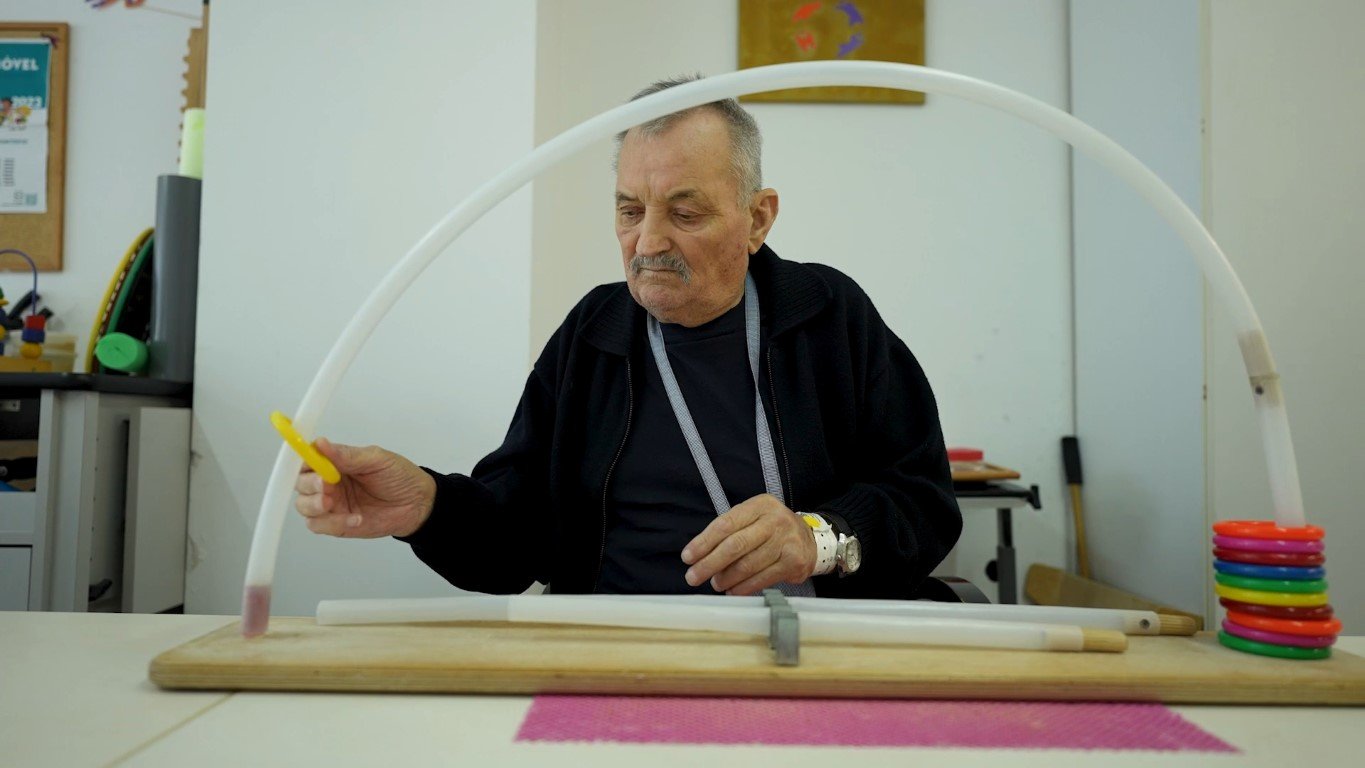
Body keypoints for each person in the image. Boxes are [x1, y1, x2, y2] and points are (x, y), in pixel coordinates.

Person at [295, 75, 961, 599]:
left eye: (684, 212)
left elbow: (925, 504)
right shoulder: (593, 335)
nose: (647, 243)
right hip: (613, 650)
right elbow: (513, 544)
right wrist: (428, 506)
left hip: (806, 649)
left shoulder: (828, 316)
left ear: (758, 218)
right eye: (629, 210)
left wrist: (819, 538)